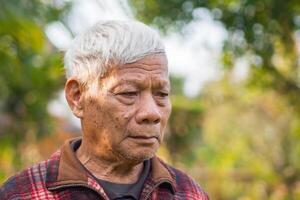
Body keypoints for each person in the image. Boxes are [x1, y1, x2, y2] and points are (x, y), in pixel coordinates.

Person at [0, 20, 209, 200]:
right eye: (128, 93)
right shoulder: (24, 193)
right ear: (77, 97)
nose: (152, 113)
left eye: (161, 94)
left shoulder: (188, 193)